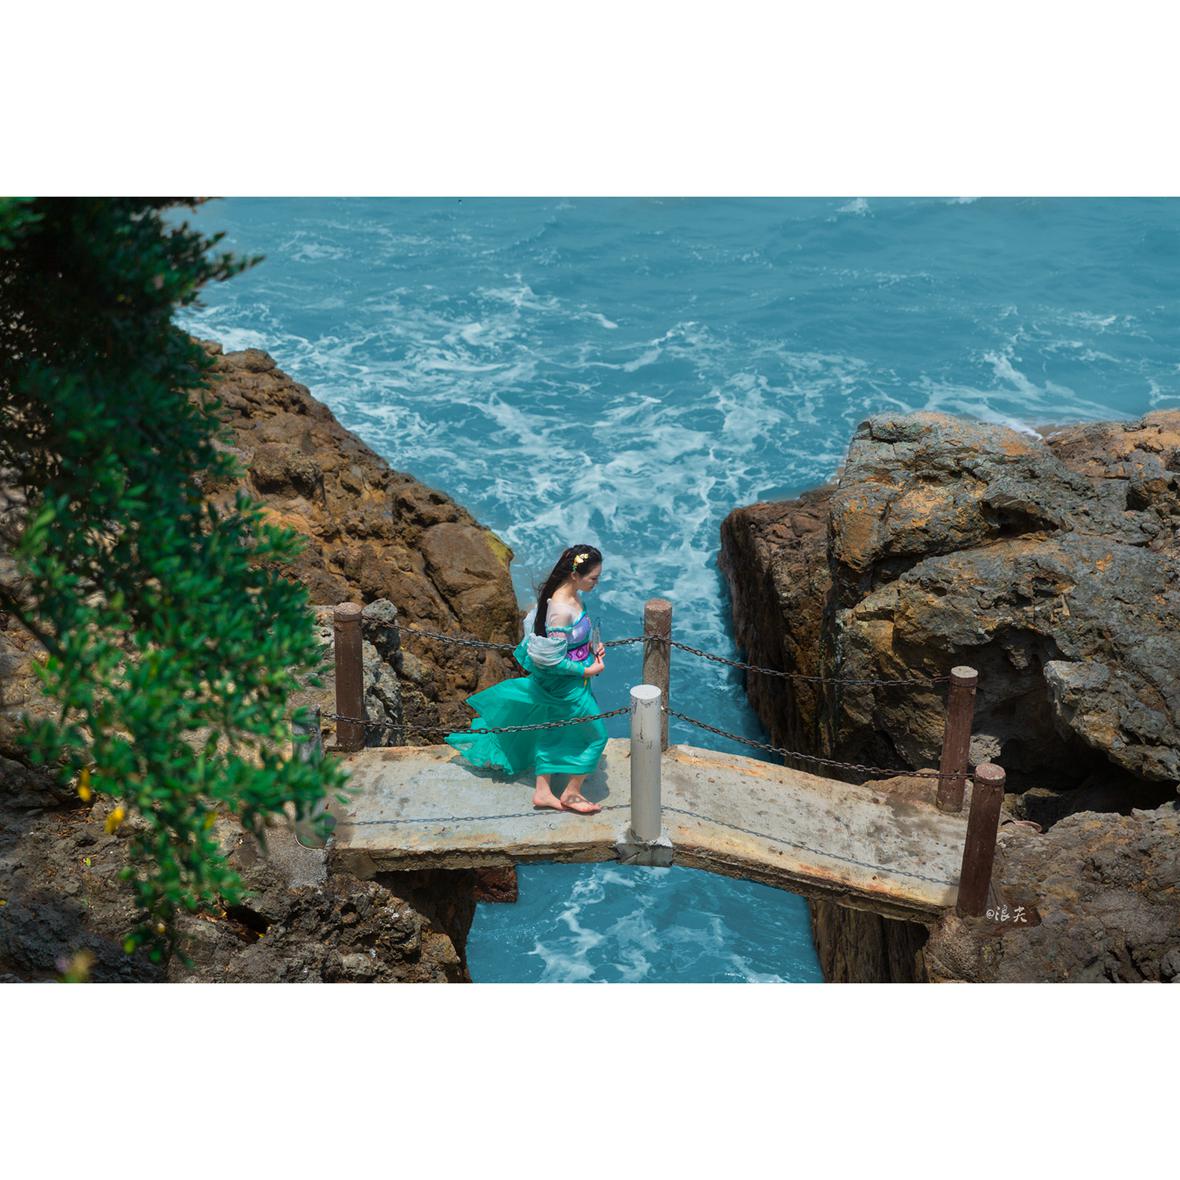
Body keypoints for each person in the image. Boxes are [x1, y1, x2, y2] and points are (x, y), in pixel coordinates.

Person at [444, 545, 608, 814]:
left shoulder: (575, 597)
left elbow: (571, 642)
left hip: (576, 682)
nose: (596, 583)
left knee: (555, 729)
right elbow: (552, 660)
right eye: (593, 578)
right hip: (566, 687)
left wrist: (592, 648)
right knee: (596, 736)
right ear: (575, 575)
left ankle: (543, 792)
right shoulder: (560, 610)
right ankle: (571, 793)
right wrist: (586, 671)